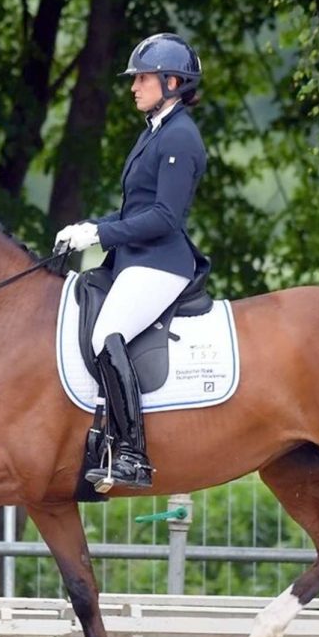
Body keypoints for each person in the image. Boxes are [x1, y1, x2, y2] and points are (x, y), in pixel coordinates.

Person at [55, 32, 209, 490]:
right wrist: (87, 226)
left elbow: (163, 217)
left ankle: (131, 453)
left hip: (161, 262)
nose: (133, 86)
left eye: (142, 78)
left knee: (106, 334)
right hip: (136, 258)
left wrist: (100, 235)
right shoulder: (157, 132)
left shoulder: (181, 137)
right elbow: (133, 211)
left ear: (172, 81)